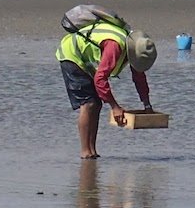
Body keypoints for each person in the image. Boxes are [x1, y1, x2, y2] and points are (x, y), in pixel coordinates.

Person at [56, 20, 157, 159]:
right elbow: (100, 79)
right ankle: (86, 151)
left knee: (97, 104)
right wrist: (115, 107)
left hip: (87, 58)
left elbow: (139, 79)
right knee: (89, 103)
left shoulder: (134, 48)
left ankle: (92, 150)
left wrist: (147, 105)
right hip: (72, 54)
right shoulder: (114, 46)